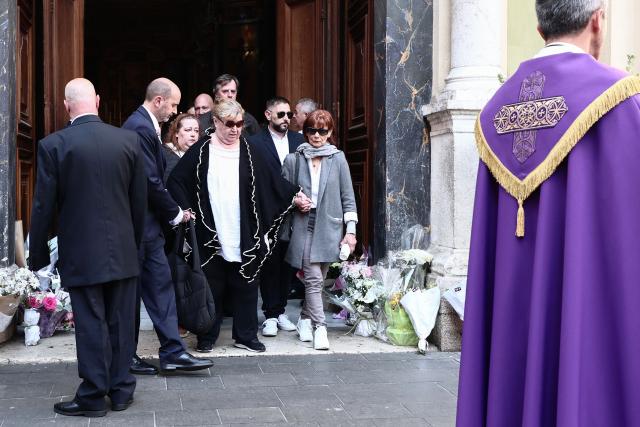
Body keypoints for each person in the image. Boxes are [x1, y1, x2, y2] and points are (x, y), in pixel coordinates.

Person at [457, 1, 640, 425]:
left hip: (511, 309)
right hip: (591, 305)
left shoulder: (495, 111)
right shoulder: (618, 100)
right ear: (598, 20)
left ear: (539, 27)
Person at [29, 78, 146, 417]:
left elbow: (43, 206)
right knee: (122, 321)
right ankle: (122, 391)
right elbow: (140, 202)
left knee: (92, 322)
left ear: (67, 106)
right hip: (123, 249)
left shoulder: (54, 145)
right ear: (97, 100)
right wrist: (134, 243)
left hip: (82, 252)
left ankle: (94, 396)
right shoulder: (128, 140)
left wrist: (38, 255)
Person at [167, 98, 299, 353]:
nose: (235, 129)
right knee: (212, 284)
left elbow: (273, 182)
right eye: (229, 124)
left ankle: (246, 336)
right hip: (211, 230)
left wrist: (294, 194)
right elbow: (177, 181)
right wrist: (188, 212)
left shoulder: (250, 150)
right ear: (215, 122)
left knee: (246, 283)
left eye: (239, 124)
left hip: (244, 230)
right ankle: (207, 336)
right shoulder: (202, 149)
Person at [122, 77, 213, 375]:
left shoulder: (146, 126)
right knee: (135, 294)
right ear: (159, 100)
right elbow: (149, 180)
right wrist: (174, 213)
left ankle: (172, 352)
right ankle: (129, 357)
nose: (175, 111)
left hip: (148, 227)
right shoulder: (138, 126)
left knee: (160, 287)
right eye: (173, 104)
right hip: (140, 226)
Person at [282, 110, 358, 350]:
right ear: (305, 132)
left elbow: (348, 197)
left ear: (330, 132)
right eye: (311, 130)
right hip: (303, 224)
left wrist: (351, 231)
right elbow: (282, 193)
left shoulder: (338, 159)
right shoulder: (294, 159)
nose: (316, 135)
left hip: (330, 226)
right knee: (313, 278)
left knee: (320, 277)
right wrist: (295, 200)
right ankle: (320, 327)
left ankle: (304, 319)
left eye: (322, 131)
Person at [248, 97, 304, 337]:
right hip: (268, 210)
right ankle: (270, 314)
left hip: (296, 213)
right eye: (280, 114)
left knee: (289, 262)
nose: (286, 119)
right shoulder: (254, 142)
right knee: (269, 262)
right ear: (268, 114)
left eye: (289, 115)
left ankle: (280, 311)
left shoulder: (299, 140)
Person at [162, 113, 199, 181]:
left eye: (196, 131)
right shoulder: (164, 153)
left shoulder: (201, 155)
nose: (193, 134)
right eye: (188, 130)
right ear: (176, 133)